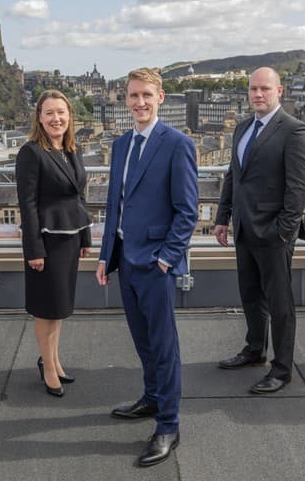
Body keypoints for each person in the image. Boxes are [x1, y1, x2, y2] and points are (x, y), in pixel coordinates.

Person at [96, 68, 198, 468]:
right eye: (134, 95)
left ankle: (169, 425)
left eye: (146, 96)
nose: (140, 102)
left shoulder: (177, 144)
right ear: (126, 99)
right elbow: (115, 205)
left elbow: (187, 211)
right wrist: (106, 255)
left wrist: (166, 259)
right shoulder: (121, 144)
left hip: (156, 263)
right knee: (142, 341)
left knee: (164, 346)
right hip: (126, 258)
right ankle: (152, 398)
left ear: (161, 98)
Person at [213, 67, 305, 394]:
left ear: (279, 91)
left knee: (280, 304)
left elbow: (298, 189)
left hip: (273, 234)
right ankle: (255, 350)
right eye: (253, 89)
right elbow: (233, 176)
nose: (258, 94)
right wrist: (223, 216)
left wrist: (283, 232)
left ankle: (282, 370)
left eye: (265, 89)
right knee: (250, 294)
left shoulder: (294, 131)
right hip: (244, 228)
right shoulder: (242, 128)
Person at [16, 90, 92, 398]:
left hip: (70, 240)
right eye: (49, 113)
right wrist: (34, 250)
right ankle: (48, 367)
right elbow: (27, 205)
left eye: (61, 112)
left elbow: (79, 197)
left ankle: (54, 360)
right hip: (46, 243)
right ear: (39, 117)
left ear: (70, 116)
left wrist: (85, 236)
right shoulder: (31, 153)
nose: (56, 118)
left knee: (59, 307)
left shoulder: (72, 148)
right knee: (46, 309)